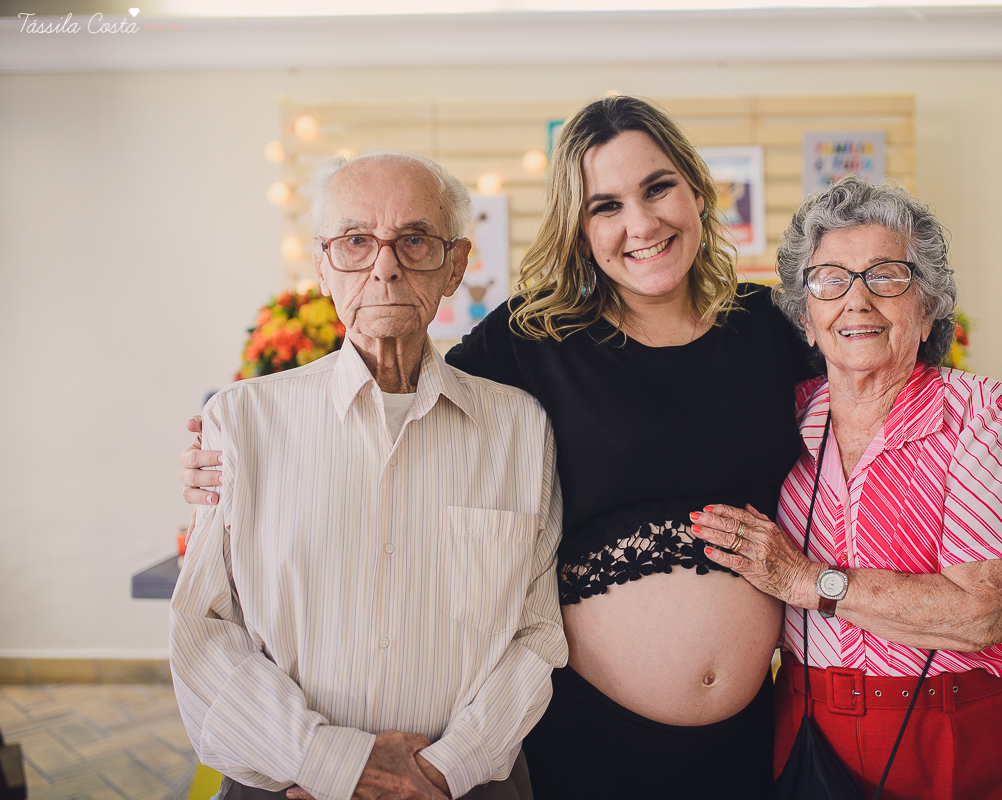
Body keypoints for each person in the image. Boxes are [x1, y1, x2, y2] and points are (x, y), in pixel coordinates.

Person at [181, 96, 814, 799]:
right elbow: (405, 385)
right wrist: (233, 456)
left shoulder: (771, 326)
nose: (640, 223)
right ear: (579, 229)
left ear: (697, 190)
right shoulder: (533, 340)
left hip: (754, 728)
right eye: (605, 205)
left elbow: (865, 431)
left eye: (658, 187)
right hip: (587, 731)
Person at [170, 152, 566, 800]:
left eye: (413, 240)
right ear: (324, 266)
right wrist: (330, 764)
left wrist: (444, 769)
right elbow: (205, 630)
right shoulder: (241, 422)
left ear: (455, 266)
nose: (384, 266)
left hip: (469, 785)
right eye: (356, 241)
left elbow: (538, 632)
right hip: (289, 785)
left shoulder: (519, 428)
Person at [691, 176, 1002, 799]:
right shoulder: (787, 417)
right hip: (802, 722)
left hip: (950, 728)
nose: (857, 301)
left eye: (886, 275)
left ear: (929, 304)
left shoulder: (973, 413)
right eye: (831, 279)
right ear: (806, 317)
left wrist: (804, 580)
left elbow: (984, 612)